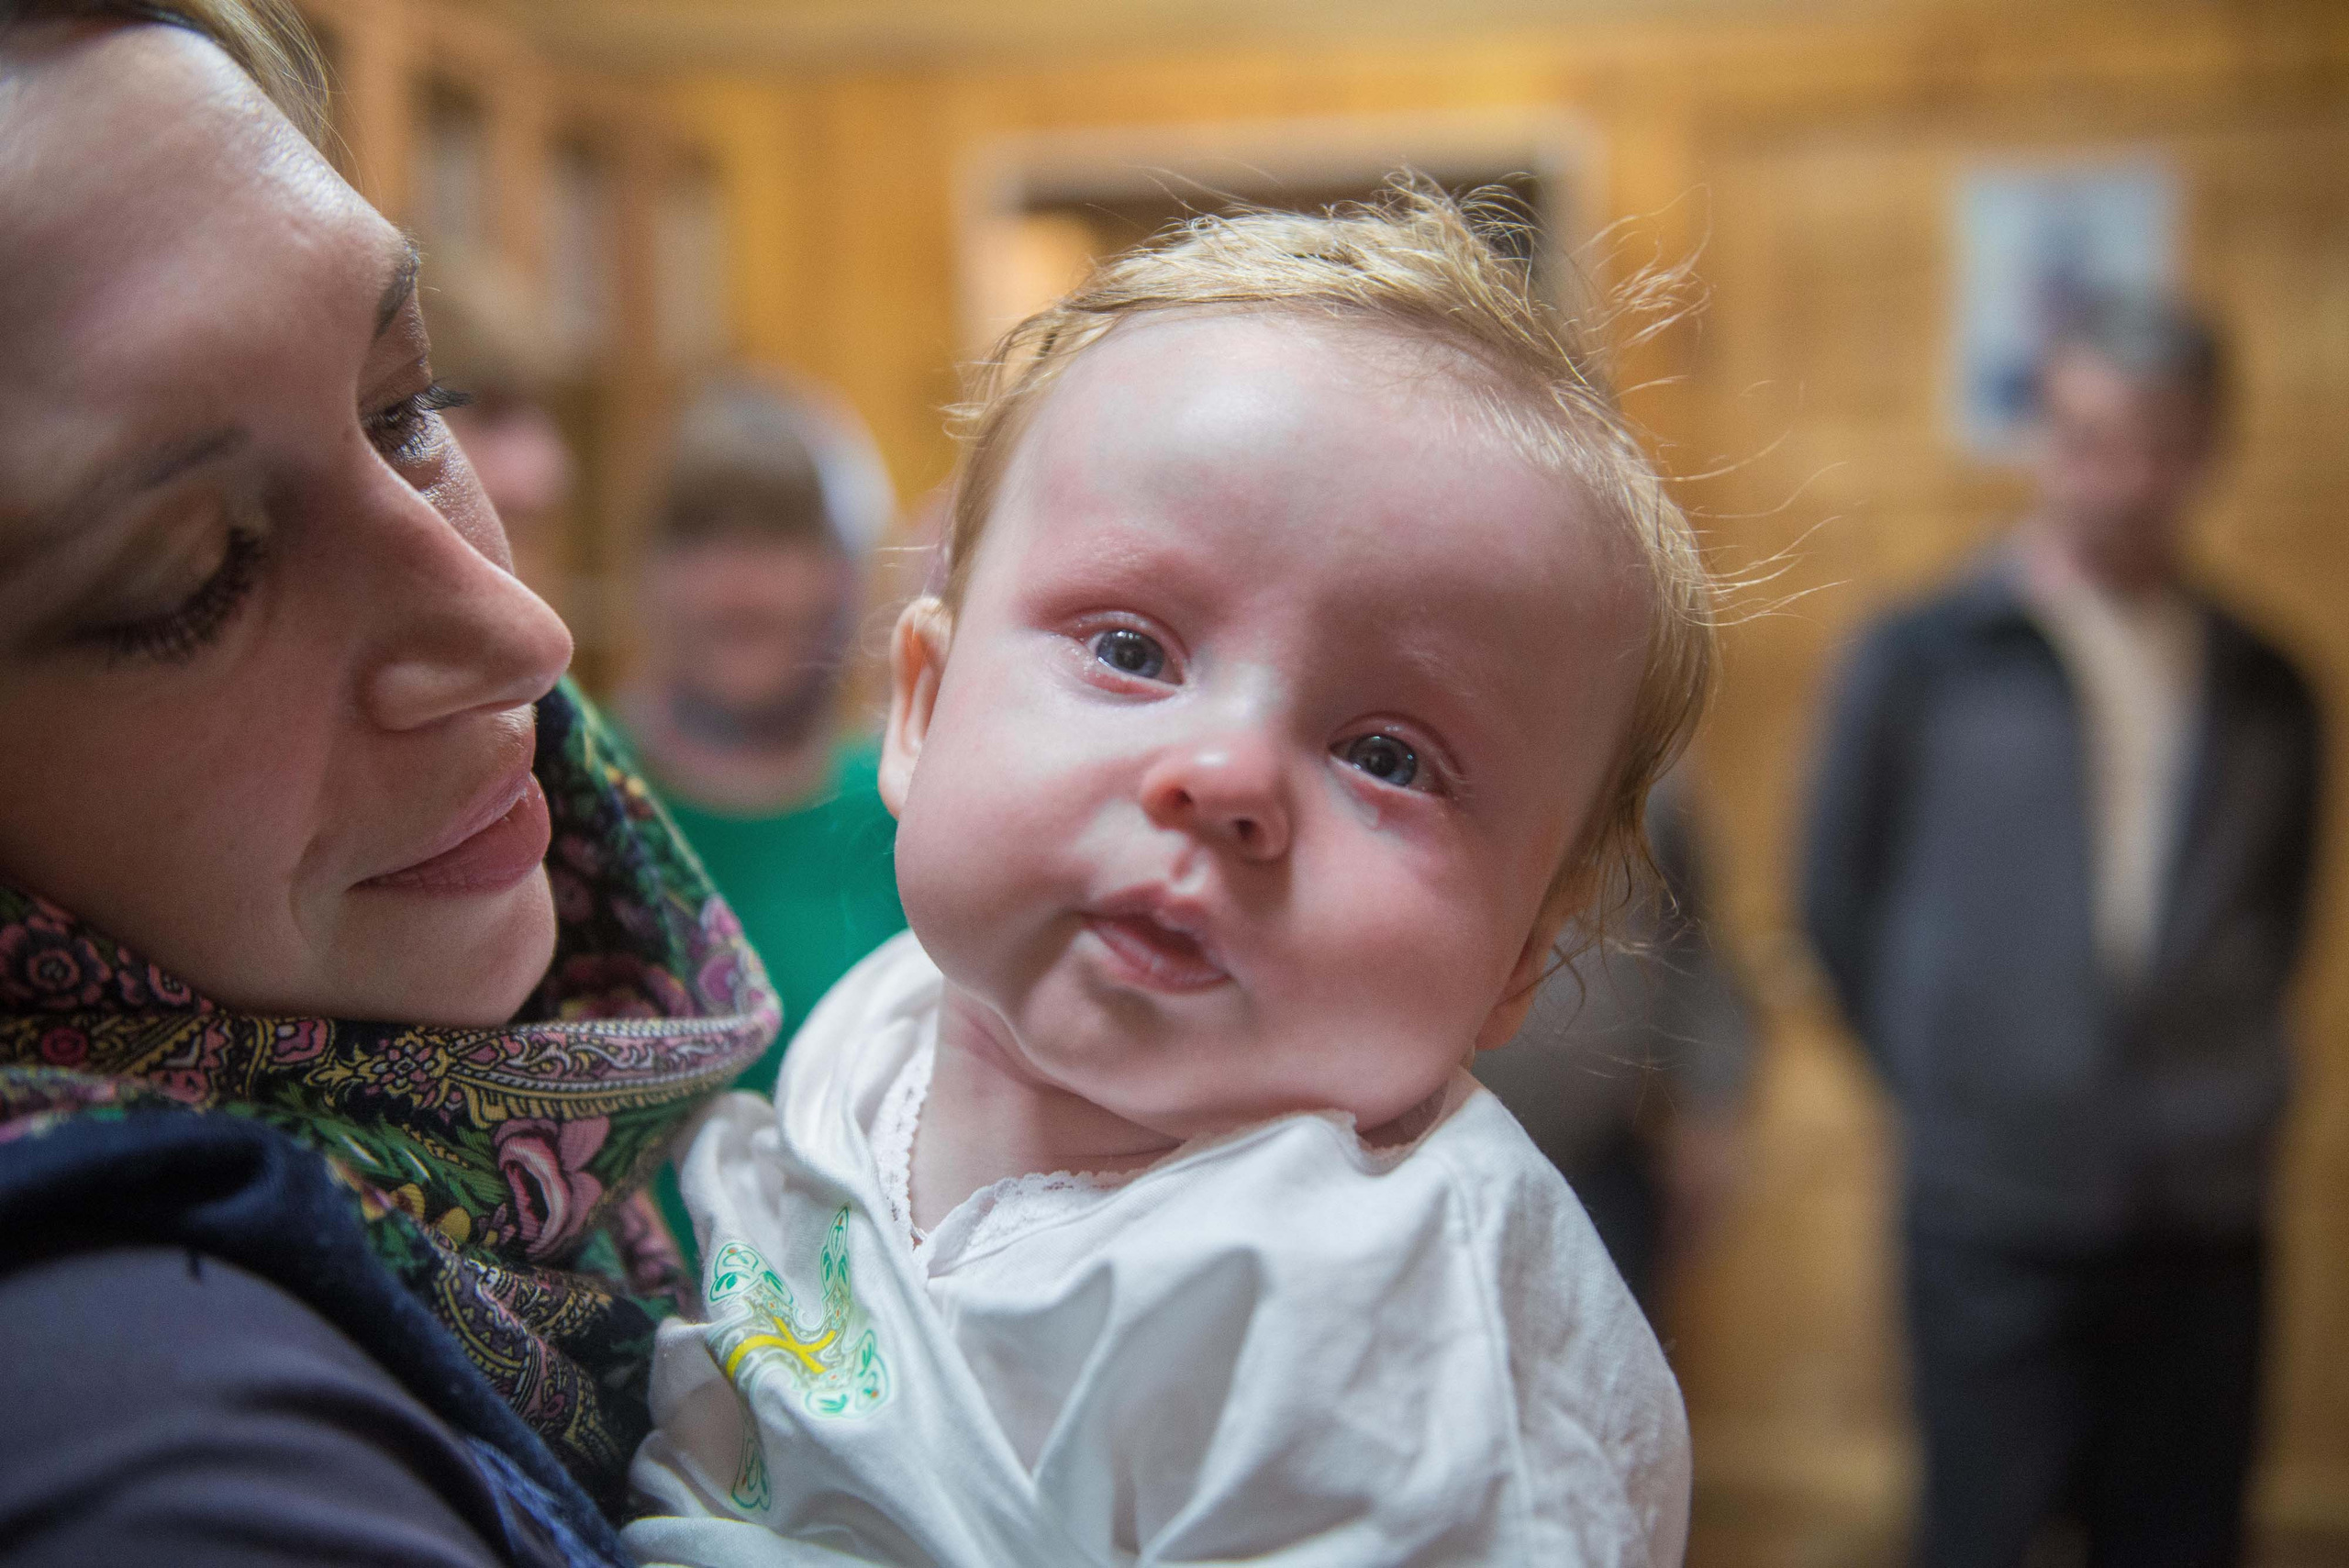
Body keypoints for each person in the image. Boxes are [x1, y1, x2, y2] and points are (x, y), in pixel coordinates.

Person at [623, 183, 1708, 1566]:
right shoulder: (879, 1030)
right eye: (1131, 650)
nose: (1227, 773)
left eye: (1386, 752)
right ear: (923, 707)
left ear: (1517, 960)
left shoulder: (1389, 1318)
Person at [0, 6, 777, 1564]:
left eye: (406, 408)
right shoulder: (137, 1411)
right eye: (192, 575)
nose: (523, 630)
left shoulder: (515, 1170)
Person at [1802, 295, 2321, 1568]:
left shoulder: (2272, 685)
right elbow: (1834, 902)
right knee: (1977, 1528)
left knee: (2185, 1533)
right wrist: (1955, 1078)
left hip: (2205, 1205)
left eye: (2160, 442)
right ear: (2039, 432)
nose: (2123, 478)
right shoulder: (1925, 658)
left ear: (2208, 447)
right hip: (1991, 1200)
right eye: (2088, 437)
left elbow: (2282, 917)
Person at [614, 379, 908, 1273]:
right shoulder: (567, 795)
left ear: (843, 572)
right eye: (700, 538)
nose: (737, 586)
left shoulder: (910, 812)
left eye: (777, 538)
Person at [1474, 769, 1753, 1317]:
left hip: (1599, 1170)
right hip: (1410, 1168)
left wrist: (1711, 1104)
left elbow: (1693, 950)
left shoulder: (1644, 770)